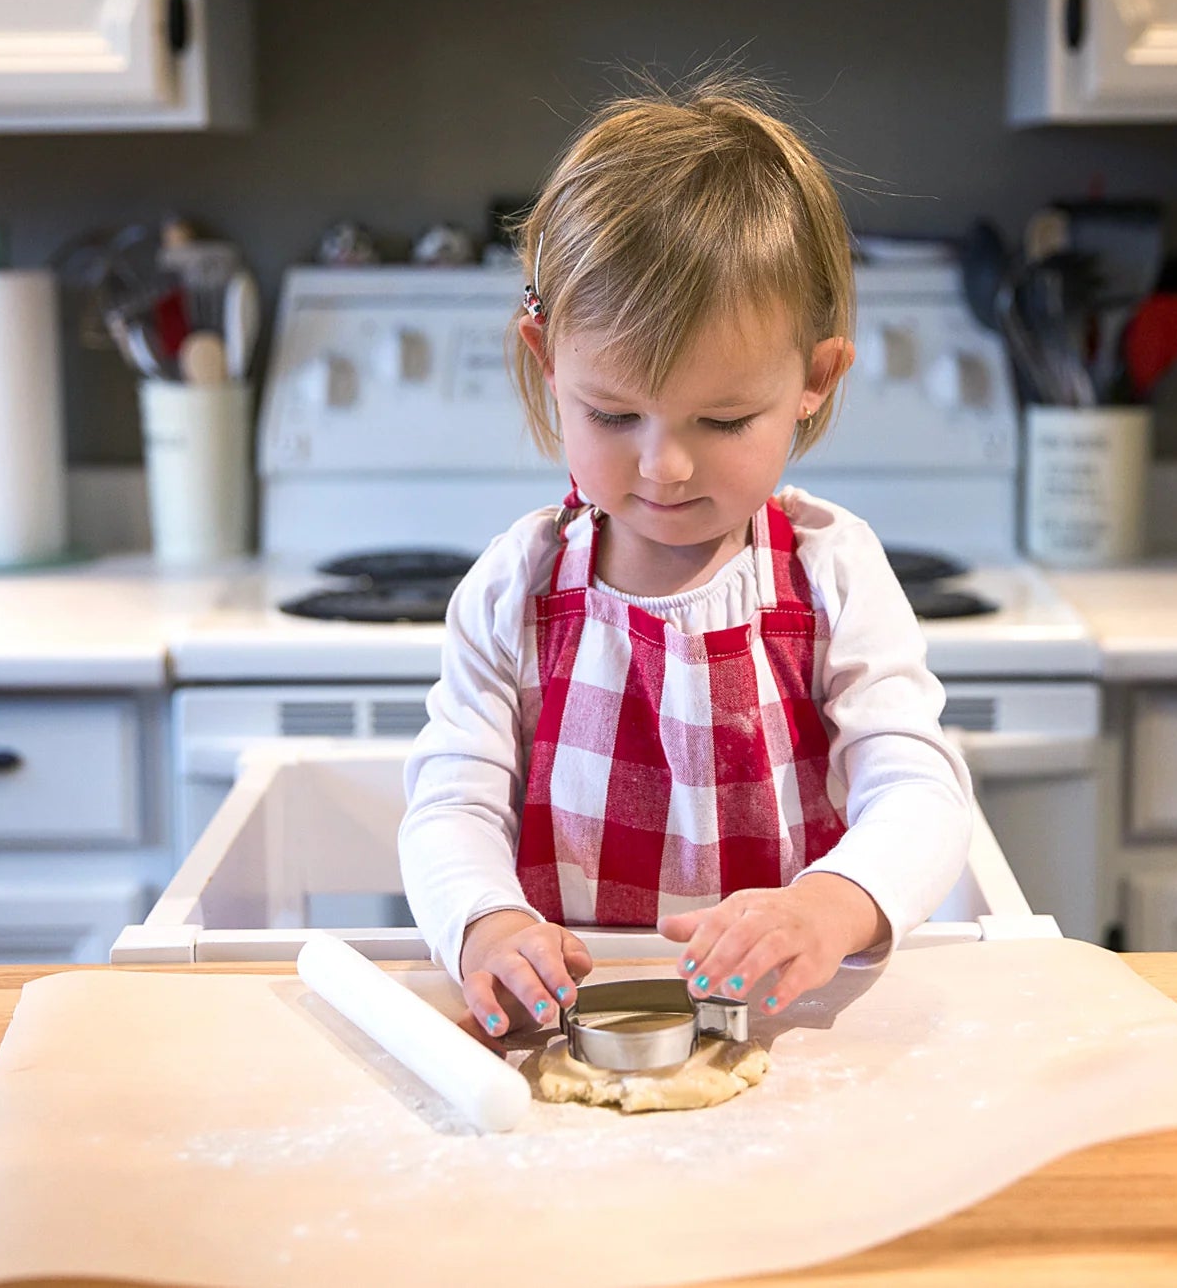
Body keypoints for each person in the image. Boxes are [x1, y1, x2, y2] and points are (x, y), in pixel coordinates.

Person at [398, 78, 974, 1039]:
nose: (663, 464)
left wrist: (830, 906)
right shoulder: (517, 586)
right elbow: (449, 799)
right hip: (570, 1033)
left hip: (789, 1030)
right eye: (614, 413)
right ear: (549, 361)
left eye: (723, 418)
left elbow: (918, 789)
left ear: (813, 381)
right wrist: (483, 921)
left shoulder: (832, 575)